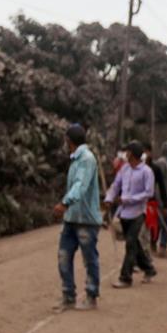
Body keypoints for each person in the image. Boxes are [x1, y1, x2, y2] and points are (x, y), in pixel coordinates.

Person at [52, 123, 102, 312]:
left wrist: (65, 202)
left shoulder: (86, 159)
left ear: (69, 140)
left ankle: (91, 295)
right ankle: (68, 296)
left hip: (86, 220)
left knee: (89, 258)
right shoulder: (76, 159)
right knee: (63, 256)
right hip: (72, 218)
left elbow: (80, 185)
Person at [105, 140, 157, 288]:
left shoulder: (146, 172)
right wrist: (109, 199)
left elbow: (148, 193)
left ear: (132, 154)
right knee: (134, 243)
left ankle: (125, 277)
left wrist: (128, 199)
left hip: (138, 212)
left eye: (127, 152)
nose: (125, 154)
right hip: (124, 213)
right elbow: (116, 185)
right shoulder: (125, 169)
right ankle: (149, 268)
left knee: (130, 243)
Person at [143, 142, 167, 258]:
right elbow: (157, 184)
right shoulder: (161, 163)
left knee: (165, 224)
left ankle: (162, 247)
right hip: (160, 200)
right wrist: (161, 202)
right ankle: (155, 246)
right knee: (158, 225)